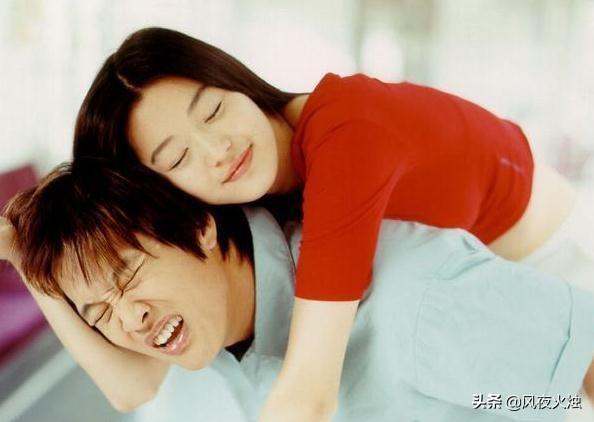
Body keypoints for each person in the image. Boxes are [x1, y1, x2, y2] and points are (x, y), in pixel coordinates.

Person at [72, 27, 594, 419]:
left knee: (558, 402)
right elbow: (133, 389)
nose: (217, 150)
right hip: (482, 298)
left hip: (557, 258)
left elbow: (308, 394)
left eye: (212, 112)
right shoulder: (254, 203)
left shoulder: (345, 139)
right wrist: (36, 268)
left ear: (235, 83)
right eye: (178, 158)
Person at [2, 158, 593, 422]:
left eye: (128, 276)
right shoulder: (203, 351)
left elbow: (575, 387)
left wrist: (508, 408)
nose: (129, 319)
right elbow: (128, 389)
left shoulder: (409, 293)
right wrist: (23, 256)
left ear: (198, 227)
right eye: (99, 313)